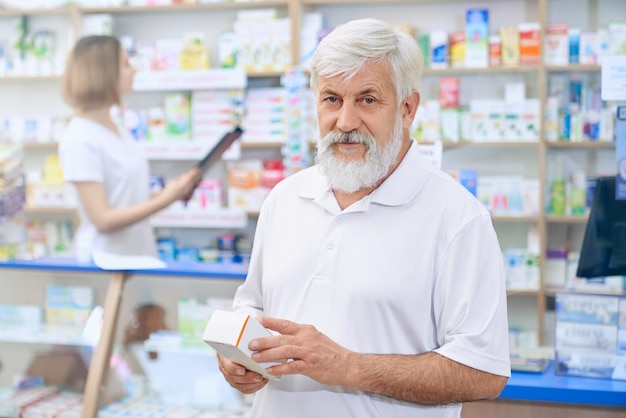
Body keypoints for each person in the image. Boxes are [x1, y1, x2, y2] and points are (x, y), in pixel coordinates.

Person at [217, 18, 511, 417]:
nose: (346, 122)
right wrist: (239, 356)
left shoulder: (457, 218)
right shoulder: (285, 198)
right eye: (332, 99)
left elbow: (483, 371)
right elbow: (252, 305)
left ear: (407, 108)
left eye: (367, 100)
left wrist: (348, 366)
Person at [59, 35, 201, 258]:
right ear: (104, 74)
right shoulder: (80, 137)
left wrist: (173, 192)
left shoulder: (116, 128)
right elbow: (103, 220)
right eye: (125, 64)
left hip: (136, 254)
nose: (133, 70)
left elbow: (131, 199)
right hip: (104, 260)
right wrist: (167, 198)